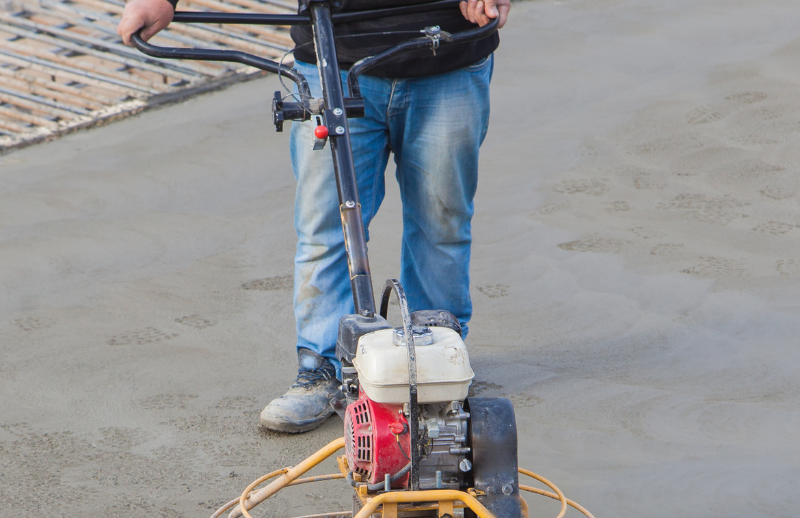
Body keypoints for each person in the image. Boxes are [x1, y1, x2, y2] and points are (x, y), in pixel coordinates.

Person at [119, 0, 511, 433]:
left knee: (442, 219)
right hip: (332, 54)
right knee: (328, 225)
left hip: (448, 51)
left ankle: (437, 359)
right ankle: (322, 369)